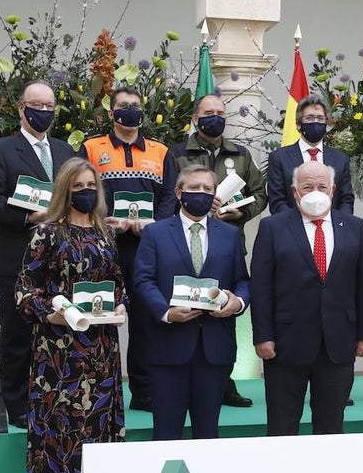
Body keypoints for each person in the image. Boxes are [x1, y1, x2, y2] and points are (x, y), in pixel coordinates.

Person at [14, 157, 127, 473]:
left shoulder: (104, 232)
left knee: (99, 424)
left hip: (101, 346)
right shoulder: (47, 233)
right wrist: (53, 312)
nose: (86, 192)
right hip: (59, 349)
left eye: (91, 185)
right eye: (78, 187)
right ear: (65, 190)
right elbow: (24, 292)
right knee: (64, 426)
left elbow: (116, 281)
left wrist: (121, 303)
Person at [0, 79, 75, 428]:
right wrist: (27, 217)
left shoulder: (65, 151)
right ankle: (17, 406)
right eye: (36, 105)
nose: (43, 112)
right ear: (21, 108)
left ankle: (59, 397)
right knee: (18, 336)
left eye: (49, 107)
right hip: (19, 256)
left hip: (62, 260)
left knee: (61, 331)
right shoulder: (0, 149)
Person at [250, 161, 363, 435]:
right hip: (285, 344)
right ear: (294, 192)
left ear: (332, 191)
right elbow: (260, 287)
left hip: (338, 343)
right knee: (283, 426)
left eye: (321, 186)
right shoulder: (273, 227)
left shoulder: (354, 226)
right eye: (307, 186)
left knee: (330, 426)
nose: (314, 192)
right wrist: (262, 336)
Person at [163, 92, 267, 408]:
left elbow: (260, 193)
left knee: (223, 310)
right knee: (185, 304)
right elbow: (168, 196)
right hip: (186, 244)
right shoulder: (178, 153)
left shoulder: (241, 154)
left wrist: (242, 213)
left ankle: (224, 381)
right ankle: (183, 377)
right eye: (208, 112)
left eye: (220, 112)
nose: (215, 117)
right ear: (196, 118)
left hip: (227, 244)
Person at [133, 165, 250, 440]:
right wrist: (165, 312)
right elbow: (143, 280)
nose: (201, 194)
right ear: (178, 193)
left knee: (207, 435)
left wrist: (238, 303)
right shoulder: (156, 233)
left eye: (207, 189)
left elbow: (242, 280)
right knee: (166, 435)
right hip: (168, 348)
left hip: (214, 350)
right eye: (194, 188)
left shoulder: (229, 234)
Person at [78, 86, 175, 413]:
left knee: (146, 318)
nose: (129, 111)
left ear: (143, 112)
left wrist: (156, 225)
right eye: (123, 106)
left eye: (135, 106)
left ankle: (144, 391)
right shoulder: (92, 148)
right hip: (103, 244)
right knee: (98, 311)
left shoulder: (161, 151)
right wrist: (104, 220)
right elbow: (81, 189)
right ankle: (93, 387)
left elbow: (171, 197)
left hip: (147, 247)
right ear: (110, 113)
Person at [266, 93, 353, 214]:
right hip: (293, 228)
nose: (315, 122)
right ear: (298, 124)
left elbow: (346, 200)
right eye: (310, 118)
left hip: (330, 228)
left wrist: (337, 224)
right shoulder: (279, 158)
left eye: (320, 118)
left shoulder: (341, 159)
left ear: (327, 124)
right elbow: (277, 201)